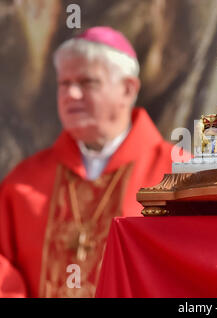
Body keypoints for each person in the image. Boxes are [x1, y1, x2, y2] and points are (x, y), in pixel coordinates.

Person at [0, 26, 182, 297]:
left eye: (87, 82)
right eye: (65, 83)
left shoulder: (182, 175)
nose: (71, 94)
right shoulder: (24, 182)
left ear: (127, 89)